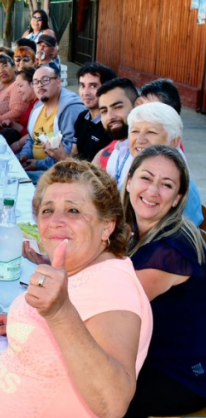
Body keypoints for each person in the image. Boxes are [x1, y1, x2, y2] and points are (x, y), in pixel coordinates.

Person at [0, 160, 153, 418]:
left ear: (107, 225)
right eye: (47, 211)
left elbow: (112, 403)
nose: (56, 221)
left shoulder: (114, 286)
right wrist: (28, 321)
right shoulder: (81, 266)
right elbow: (82, 327)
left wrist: (59, 314)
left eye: (73, 210)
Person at [120, 145, 206, 417]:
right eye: (146, 178)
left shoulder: (169, 251)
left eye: (166, 185)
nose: (153, 191)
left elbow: (111, 303)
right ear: (130, 180)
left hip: (179, 375)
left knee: (87, 392)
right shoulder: (141, 232)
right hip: (149, 357)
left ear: (178, 197)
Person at [123, 102, 203, 225]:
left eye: (151, 132)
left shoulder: (183, 186)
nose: (140, 140)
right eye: (135, 131)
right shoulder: (135, 172)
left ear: (174, 142)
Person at [17, 64, 85, 181]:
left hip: (58, 174)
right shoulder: (39, 106)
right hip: (35, 165)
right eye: (35, 82)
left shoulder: (70, 110)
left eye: (45, 80)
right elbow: (32, 139)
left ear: (58, 81)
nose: (40, 85)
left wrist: (38, 164)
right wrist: (24, 155)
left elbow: (68, 154)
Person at [44, 63, 116, 163]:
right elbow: (74, 155)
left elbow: (97, 174)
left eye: (93, 86)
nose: (86, 92)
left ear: (107, 89)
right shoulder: (82, 117)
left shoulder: (111, 126)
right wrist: (56, 152)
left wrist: (62, 158)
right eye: (82, 85)